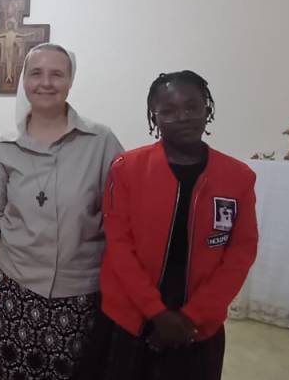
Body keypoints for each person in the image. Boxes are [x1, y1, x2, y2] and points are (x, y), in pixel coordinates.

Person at [0, 44, 123, 379]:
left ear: (70, 81)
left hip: (80, 290)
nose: (46, 82)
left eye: (57, 74)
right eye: (36, 73)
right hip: (16, 286)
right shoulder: (6, 147)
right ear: (24, 80)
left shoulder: (100, 141)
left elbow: (122, 212)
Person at [96, 70, 259, 380]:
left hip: (199, 326)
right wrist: (157, 314)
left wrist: (192, 316)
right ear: (154, 117)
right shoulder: (127, 169)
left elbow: (241, 252)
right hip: (132, 318)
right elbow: (118, 246)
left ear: (207, 110)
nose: (182, 117)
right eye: (168, 110)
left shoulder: (237, 177)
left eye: (192, 106)